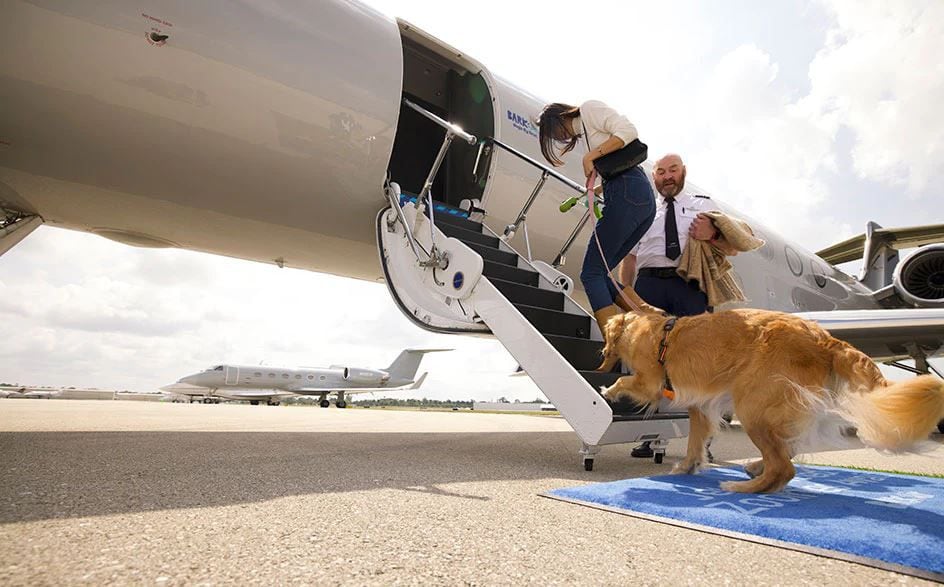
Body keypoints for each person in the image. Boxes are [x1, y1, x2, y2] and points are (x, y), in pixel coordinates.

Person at [619, 153, 731, 458]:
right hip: (649, 285)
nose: (667, 176)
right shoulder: (642, 210)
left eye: (673, 170)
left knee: (699, 364)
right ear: (653, 177)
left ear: (683, 172)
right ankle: (649, 435)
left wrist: (713, 233)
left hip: (689, 286)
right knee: (648, 362)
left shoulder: (703, 203)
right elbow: (629, 259)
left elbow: (732, 244)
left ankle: (703, 442)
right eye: (661, 172)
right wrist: (627, 299)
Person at [536, 101, 660, 333]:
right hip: (638, 197)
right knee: (601, 274)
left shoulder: (589, 109)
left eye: (553, 132)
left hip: (627, 192)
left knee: (590, 273)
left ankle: (614, 343)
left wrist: (590, 157)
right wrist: (596, 188)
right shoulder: (586, 132)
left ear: (558, 118)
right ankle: (651, 317)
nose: (559, 138)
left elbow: (628, 132)